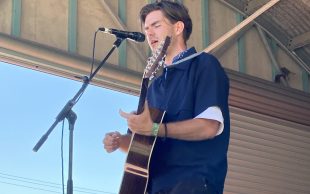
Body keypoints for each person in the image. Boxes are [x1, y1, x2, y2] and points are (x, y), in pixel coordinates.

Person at [103, 1, 230, 194]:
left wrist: (155, 128)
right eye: (146, 29)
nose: (149, 34)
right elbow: (141, 147)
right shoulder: (154, 86)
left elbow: (209, 126)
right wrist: (120, 141)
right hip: (154, 187)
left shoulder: (204, 65)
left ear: (178, 27)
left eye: (156, 25)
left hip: (192, 183)